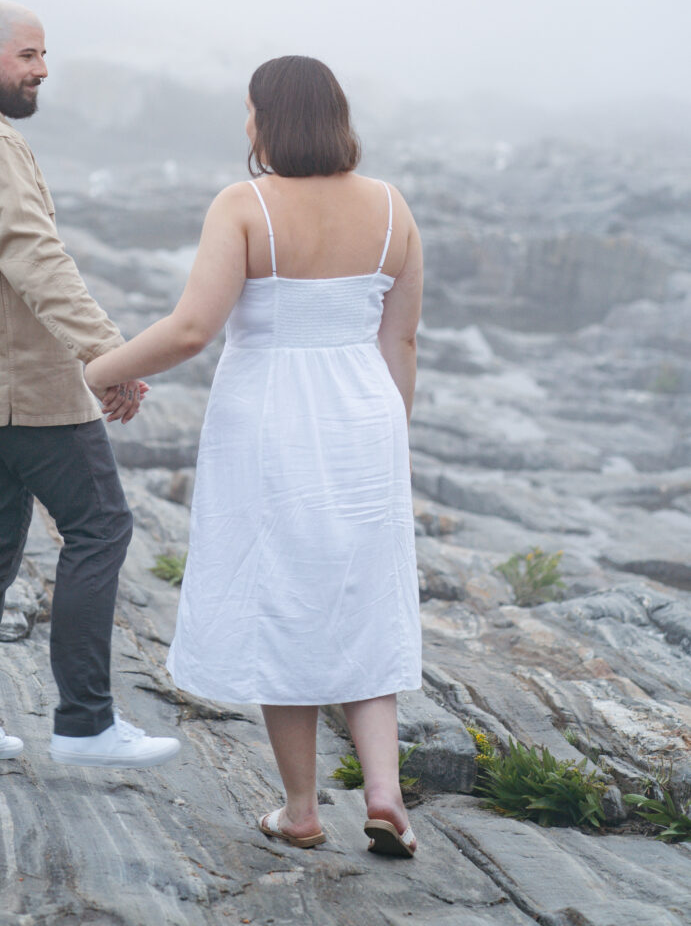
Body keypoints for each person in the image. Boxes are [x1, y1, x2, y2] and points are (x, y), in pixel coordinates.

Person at [85, 55, 422, 856]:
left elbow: (192, 329)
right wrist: (385, 438)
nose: (244, 125)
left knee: (281, 600)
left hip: (270, 420)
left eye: (248, 111)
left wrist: (100, 372)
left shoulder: (245, 205)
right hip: (366, 421)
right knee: (362, 600)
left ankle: (301, 808)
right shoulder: (390, 208)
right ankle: (382, 792)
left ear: (267, 121)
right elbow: (401, 338)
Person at [0, 0, 180, 772]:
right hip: (20, 388)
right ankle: (86, 722)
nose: (42, 70)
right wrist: (107, 357)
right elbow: (35, 258)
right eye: (27, 56)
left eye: (44, 56)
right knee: (100, 529)